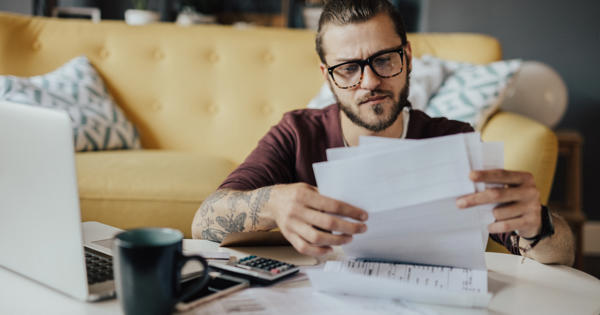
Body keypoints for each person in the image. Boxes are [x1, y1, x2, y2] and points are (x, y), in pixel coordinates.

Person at [192, 0, 574, 266]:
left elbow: (562, 254)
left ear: (407, 58)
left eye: (384, 59)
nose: (369, 81)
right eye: (348, 68)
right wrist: (272, 203)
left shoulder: (451, 139)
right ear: (327, 75)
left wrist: (538, 224)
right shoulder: (296, 132)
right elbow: (204, 221)